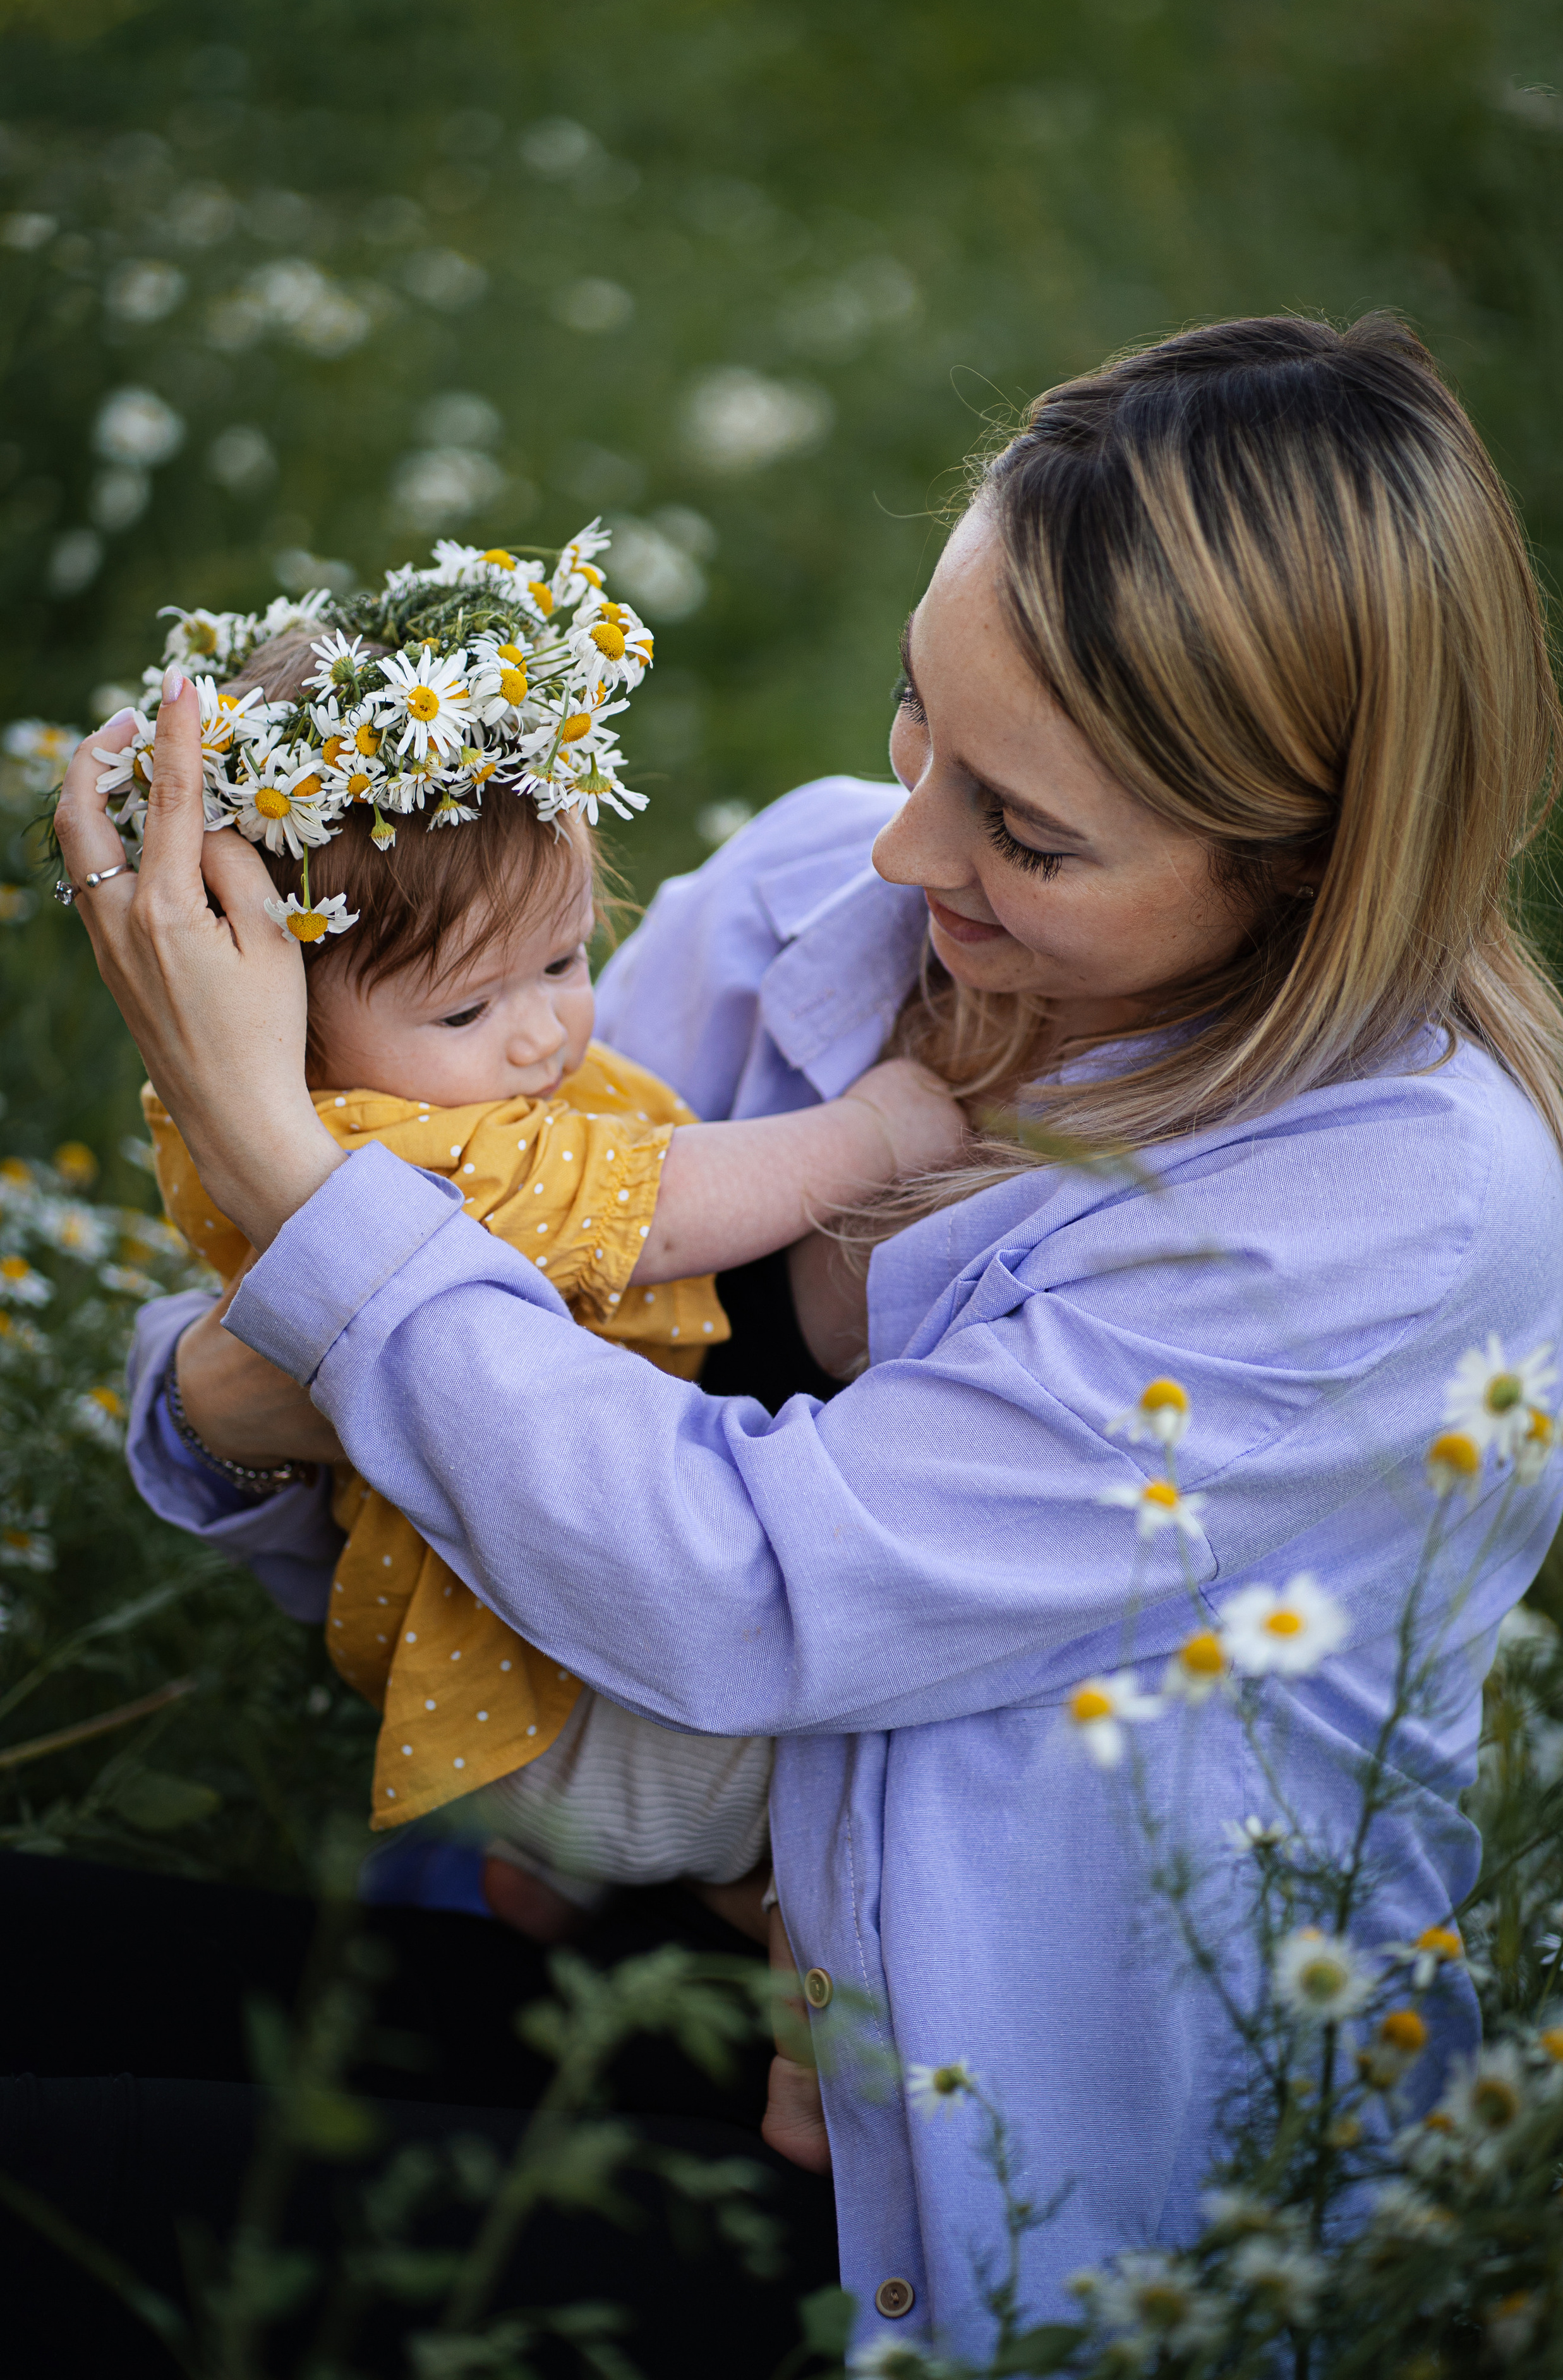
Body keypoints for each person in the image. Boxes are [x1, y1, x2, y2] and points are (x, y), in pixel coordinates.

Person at [26, 313, 1563, 2367]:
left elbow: (708, 1575)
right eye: (914, 724)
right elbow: (441, 1408)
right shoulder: (817, 907)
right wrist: (242, 1388)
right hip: (618, 1940)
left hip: (959, 2197)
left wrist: (275, 1160)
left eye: (1026, 832)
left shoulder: (1384, 1212)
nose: (901, 849)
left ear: (1310, 868)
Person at [137, 627, 964, 1925]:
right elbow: (660, 1212)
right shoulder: (375, 1139)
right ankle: (772, 1928)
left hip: (531, 1664)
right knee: (855, 1772)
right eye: (465, 1011)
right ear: (279, 1017)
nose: (541, 1032)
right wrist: (873, 1136)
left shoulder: (422, 1078)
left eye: (565, 961)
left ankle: (546, 1878)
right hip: (558, 1691)